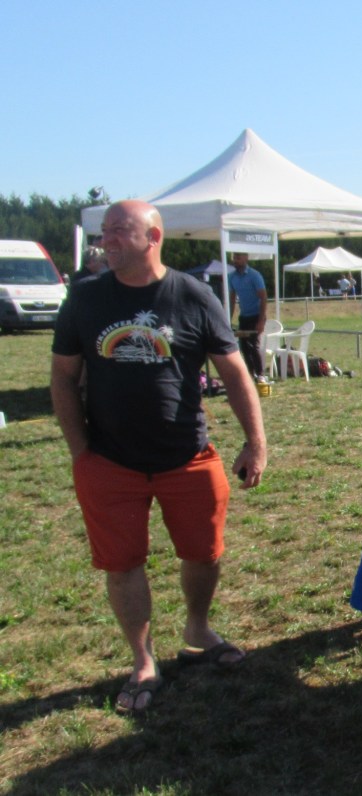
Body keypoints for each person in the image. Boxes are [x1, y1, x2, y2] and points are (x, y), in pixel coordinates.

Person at [50, 200, 268, 715]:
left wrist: (256, 442)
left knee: (205, 553)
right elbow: (62, 375)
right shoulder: (85, 298)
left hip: (187, 454)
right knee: (123, 563)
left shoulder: (192, 294)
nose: (107, 240)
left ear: (153, 237)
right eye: (104, 232)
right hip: (109, 461)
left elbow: (235, 372)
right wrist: (80, 452)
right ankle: (143, 659)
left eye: (119, 231)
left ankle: (198, 630)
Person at [227, 252, 268, 382]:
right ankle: (250, 374)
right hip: (244, 316)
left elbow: (263, 298)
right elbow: (232, 300)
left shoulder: (254, 275)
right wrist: (228, 320)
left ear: (246, 258)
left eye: (238, 257)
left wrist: (261, 321)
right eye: (234, 258)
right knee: (244, 346)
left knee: (254, 345)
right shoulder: (231, 277)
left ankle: (260, 374)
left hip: (256, 316)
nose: (236, 260)